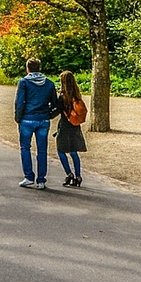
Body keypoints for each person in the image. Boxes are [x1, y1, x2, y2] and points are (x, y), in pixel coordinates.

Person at [14, 57, 59, 188]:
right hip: (43, 119)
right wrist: (49, 114)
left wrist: (18, 118)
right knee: (42, 150)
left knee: (25, 148)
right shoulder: (49, 83)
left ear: (27, 68)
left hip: (27, 119)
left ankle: (29, 177)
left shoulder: (24, 82)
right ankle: (41, 180)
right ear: (39, 68)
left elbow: (19, 102)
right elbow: (55, 103)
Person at [56, 71, 89, 187]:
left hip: (65, 125)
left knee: (61, 151)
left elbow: (58, 110)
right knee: (73, 152)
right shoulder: (77, 95)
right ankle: (78, 176)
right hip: (75, 126)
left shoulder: (63, 96)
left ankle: (69, 173)